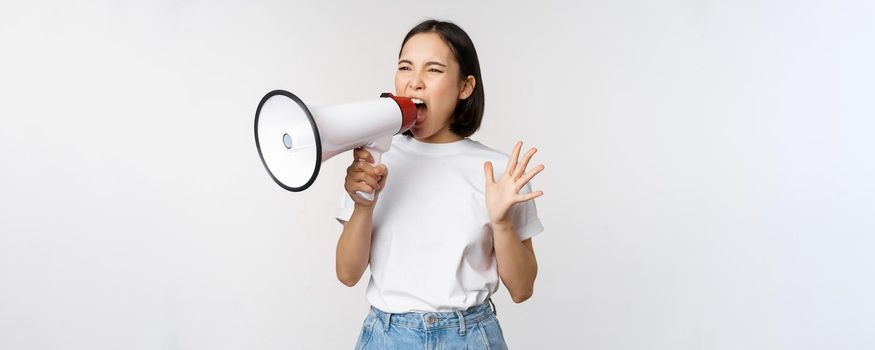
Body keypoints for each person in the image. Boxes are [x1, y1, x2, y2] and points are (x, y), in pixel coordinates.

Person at [334, 19, 545, 350]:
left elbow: (522, 289)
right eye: (405, 67)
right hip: (386, 336)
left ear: (465, 87)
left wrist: (501, 223)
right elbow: (347, 274)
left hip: (471, 337)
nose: (414, 82)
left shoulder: (500, 172)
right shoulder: (376, 158)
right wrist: (363, 205)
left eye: (433, 70)